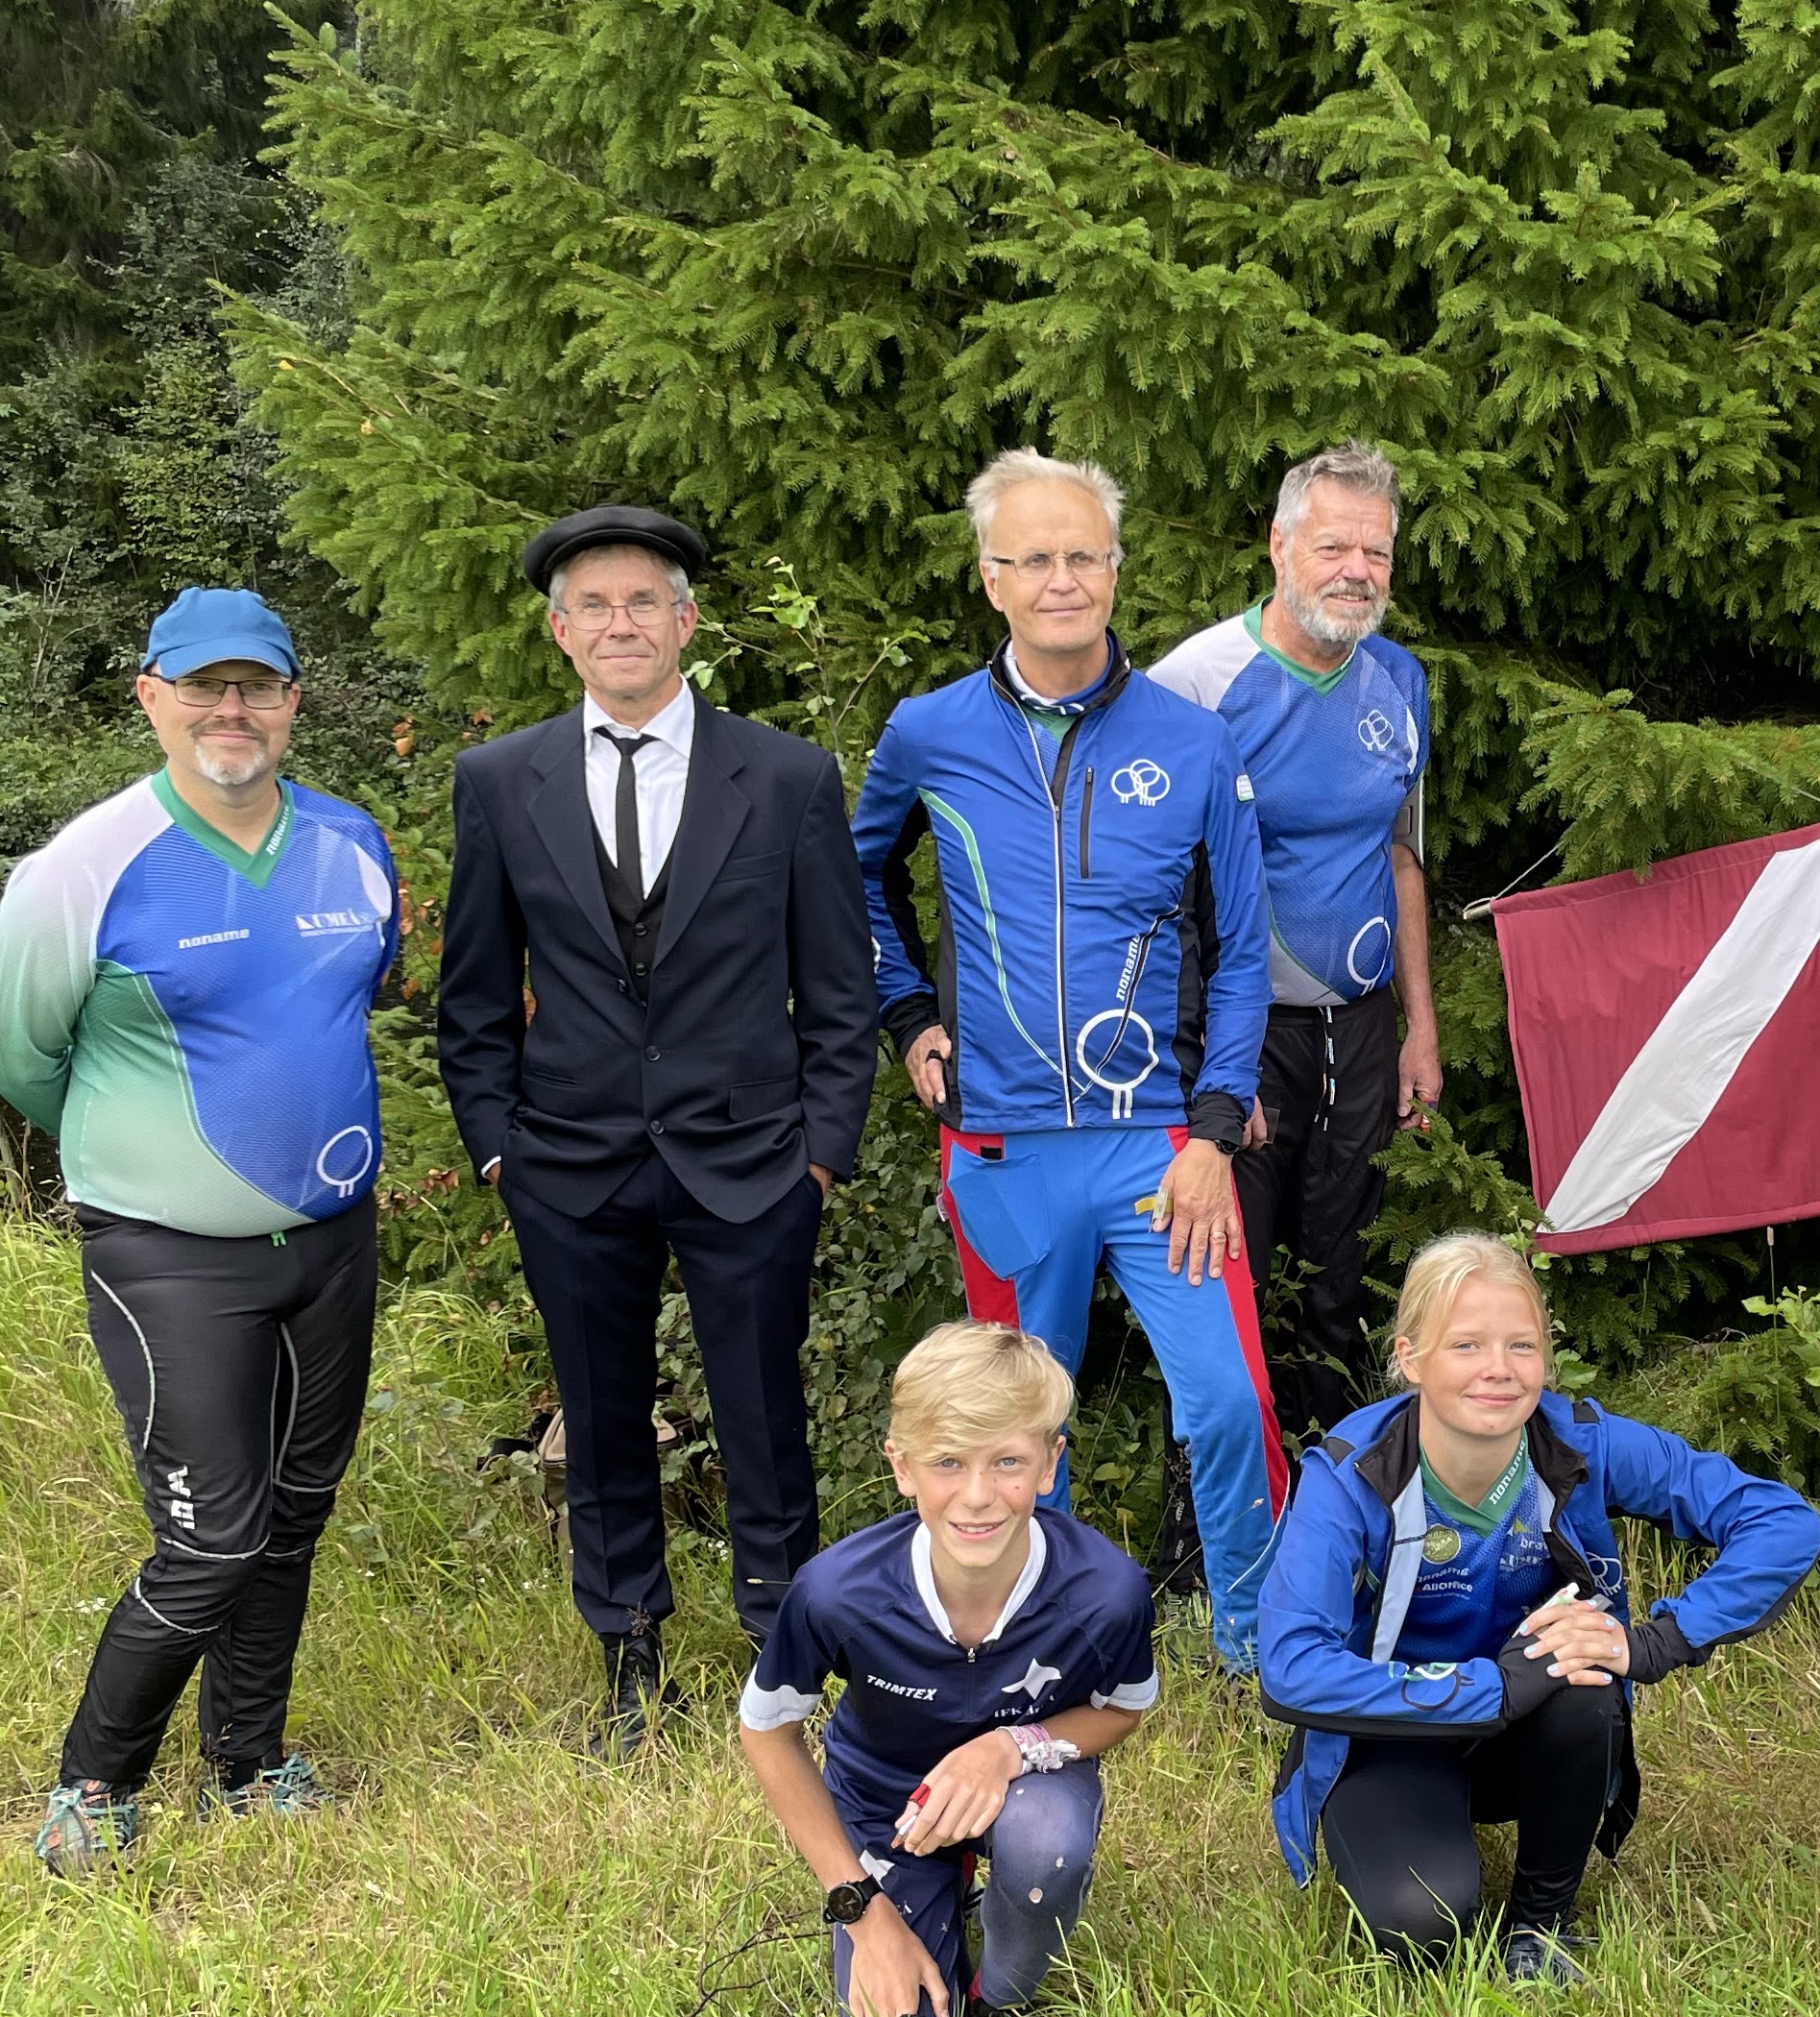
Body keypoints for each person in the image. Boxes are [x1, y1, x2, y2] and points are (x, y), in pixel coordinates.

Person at [439, 506, 878, 1753]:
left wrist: (821, 1154)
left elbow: (839, 991)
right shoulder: (499, 781)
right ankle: (630, 1662)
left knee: (761, 1413)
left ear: (687, 624)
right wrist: (498, 1149)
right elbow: (472, 998)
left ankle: (787, 1655)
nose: (621, 623)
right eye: (597, 606)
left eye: (646, 602)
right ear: (560, 631)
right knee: (602, 1414)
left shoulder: (785, 776)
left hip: (752, 1159)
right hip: (568, 1163)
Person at [0, 588, 400, 1871]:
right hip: (168, 1254)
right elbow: (18, 1055)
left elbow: (344, 1002)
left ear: (291, 701)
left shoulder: (350, 841)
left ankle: (249, 1761)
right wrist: (145, 1153)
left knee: (298, 1506)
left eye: (258, 686)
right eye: (205, 687)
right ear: (152, 697)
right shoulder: (84, 866)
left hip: (333, 1240)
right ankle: (93, 1784)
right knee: (212, 1531)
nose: (233, 711)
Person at [852, 450, 1286, 1670]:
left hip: (1160, 1150)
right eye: (1034, 558)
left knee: (1229, 1402)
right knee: (1013, 1427)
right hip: (999, 1148)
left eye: (1083, 555)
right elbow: (857, 879)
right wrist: (905, 1015)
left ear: (1114, 569)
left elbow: (1242, 950)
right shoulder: (927, 733)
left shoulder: (1192, 743)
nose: (1062, 580)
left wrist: (1210, 1131)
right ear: (991, 578)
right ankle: (1050, 1639)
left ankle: (1260, 1646)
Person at [1257, 1232, 1820, 1978]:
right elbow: (1291, 1669)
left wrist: (1652, 1642)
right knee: (1420, 1927)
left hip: (1535, 1724)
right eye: (1466, 1345)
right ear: (1410, 1358)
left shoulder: (1580, 1442)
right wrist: (1489, 1686)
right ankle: (1413, 1837)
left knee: (1581, 1673)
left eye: (1521, 1346)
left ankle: (1542, 1925)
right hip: (1391, 1732)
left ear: (1545, 1360)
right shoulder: (1349, 1475)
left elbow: (1783, 1524)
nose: (1498, 1370)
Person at [740, 1321, 1156, 2017]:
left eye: (1006, 1461)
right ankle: (925, 1910)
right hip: (889, 1809)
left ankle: (1003, 2007)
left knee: (1049, 1842)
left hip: (1028, 1788)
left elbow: (1124, 1706)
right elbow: (766, 1732)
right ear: (901, 1467)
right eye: (947, 1463)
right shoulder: (837, 1591)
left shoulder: (1107, 1589)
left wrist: (1008, 1750)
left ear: (1050, 1462)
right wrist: (862, 1914)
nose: (976, 1495)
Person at [1150, 442, 1441, 1448]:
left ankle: (1340, 1495)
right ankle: (1212, 1528)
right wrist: (1207, 1073)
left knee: (1340, 1275)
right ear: (1279, 547)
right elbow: (1154, 901)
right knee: (1225, 1279)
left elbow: (1404, 860)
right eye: (1333, 546)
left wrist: (1419, 1032)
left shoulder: (1400, 681)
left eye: (1377, 550)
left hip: (1359, 1031)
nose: (1358, 570)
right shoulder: (1192, 684)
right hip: (1240, 1036)